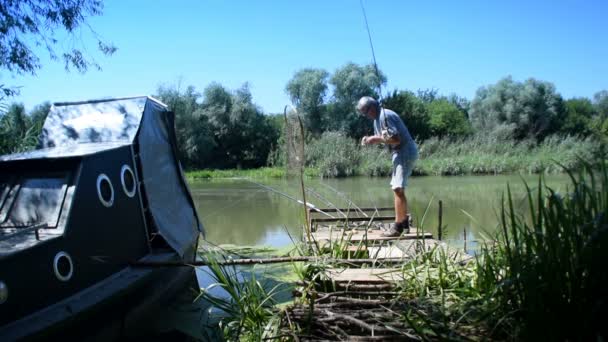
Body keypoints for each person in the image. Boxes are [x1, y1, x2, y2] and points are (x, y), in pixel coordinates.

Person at [357, 96, 418, 237]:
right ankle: (404, 222)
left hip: (404, 150)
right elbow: (383, 137)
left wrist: (375, 139)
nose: (365, 116)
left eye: (365, 112)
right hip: (399, 152)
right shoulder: (377, 120)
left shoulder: (386, 116)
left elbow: (396, 139)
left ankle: (397, 228)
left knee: (398, 188)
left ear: (371, 108)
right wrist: (369, 139)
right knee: (397, 189)